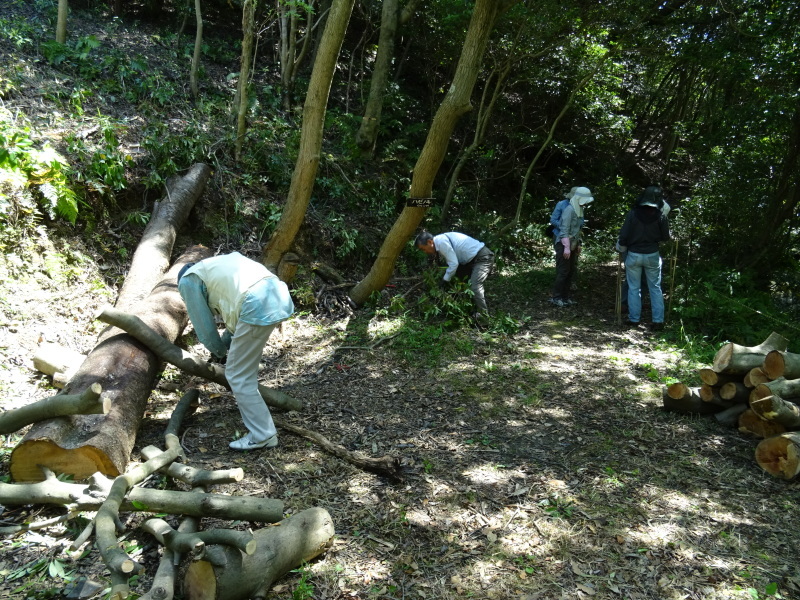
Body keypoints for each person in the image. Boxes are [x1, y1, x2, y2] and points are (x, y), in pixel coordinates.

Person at [177, 252, 294, 450]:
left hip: (256, 304)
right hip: (277, 295)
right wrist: (223, 347)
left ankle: (263, 435)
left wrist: (218, 352)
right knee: (242, 373)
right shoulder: (216, 267)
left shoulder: (188, 281)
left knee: (238, 376)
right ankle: (263, 432)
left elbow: (204, 327)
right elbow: (236, 323)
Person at [617, 186, 671, 329]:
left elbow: (624, 235)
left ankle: (634, 319)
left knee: (634, 288)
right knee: (655, 288)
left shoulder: (633, 214)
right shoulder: (660, 215)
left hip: (634, 254)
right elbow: (666, 237)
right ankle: (658, 321)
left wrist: (622, 246)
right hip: (652, 254)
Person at [415, 231, 495, 319]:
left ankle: (484, 318)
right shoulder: (439, 241)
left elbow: (453, 264)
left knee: (475, 286)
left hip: (482, 258)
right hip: (470, 260)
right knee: (462, 283)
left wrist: (445, 280)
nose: (425, 251)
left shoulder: (441, 242)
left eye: (423, 248)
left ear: (430, 242)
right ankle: (471, 312)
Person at [551, 186, 593, 307]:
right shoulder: (568, 209)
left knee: (570, 271)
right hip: (563, 244)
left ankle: (565, 297)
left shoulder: (578, 209)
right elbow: (564, 229)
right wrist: (567, 247)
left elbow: (577, 229)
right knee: (563, 271)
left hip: (573, 243)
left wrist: (578, 243)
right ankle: (556, 297)